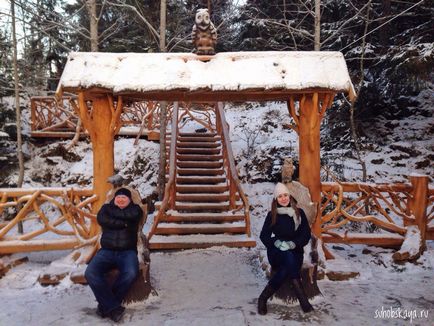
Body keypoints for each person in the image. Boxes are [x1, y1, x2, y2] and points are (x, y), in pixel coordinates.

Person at [85, 187, 142, 322]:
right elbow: (101, 219)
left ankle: (106, 305)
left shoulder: (136, 209)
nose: (121, 200)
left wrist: (113, 219)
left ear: (129, 200)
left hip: (127, 251)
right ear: (114, 199)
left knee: (131, 273)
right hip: (106, 251)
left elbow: (132, 216)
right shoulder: (105, 208)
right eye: (118, 198)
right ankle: (113, 308)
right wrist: (124, 223)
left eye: (124, 198)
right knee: (90, 273)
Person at [258, 182, 314, 315]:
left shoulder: (299, 213)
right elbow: (264, 235)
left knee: (287, 267)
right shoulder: (272, 215)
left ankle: (263, 298)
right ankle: (304, 301)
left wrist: (294, 244)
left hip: (295, 250)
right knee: (288, 259)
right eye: (280, 196)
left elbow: (305, 234)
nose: (283, 198)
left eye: (285, 195)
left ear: (289, 196)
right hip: (277, 252)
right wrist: (275, 242)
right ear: (275, 199)